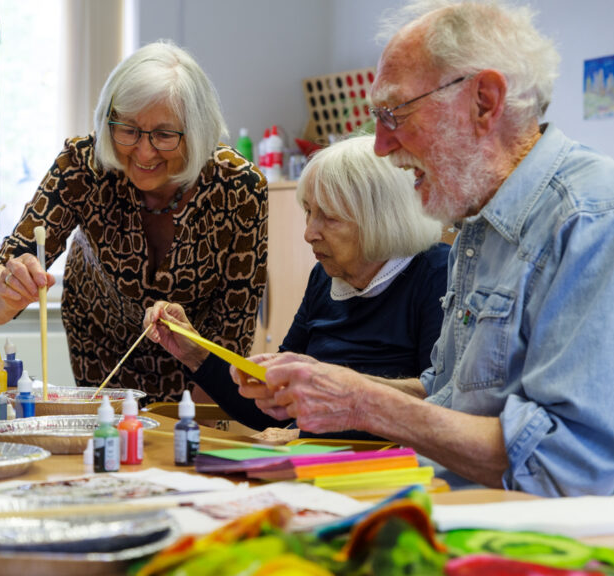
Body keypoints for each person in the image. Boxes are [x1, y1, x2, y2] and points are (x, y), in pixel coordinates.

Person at [242, 0, 614, 516]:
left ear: (484, 101)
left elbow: (566, 466)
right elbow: (446, 398)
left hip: (587, 555)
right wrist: (323, 382)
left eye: (395, 112)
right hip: (474, 524)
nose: (381, 145)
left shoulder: (595, 219)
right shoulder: (477, 228)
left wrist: (363, 402)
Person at [0, 41, 267, 404]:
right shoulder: (83, 163)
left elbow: (231, 332)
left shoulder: (239, 187)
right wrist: (8, 285)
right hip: (101, 341)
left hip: (199, 359)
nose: (143, 153)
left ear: (197, 131)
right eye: (127, 129)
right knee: (111, 445)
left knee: (185, 446)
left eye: (164, 135)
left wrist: (199, 429)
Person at [144, 135, 449, 436]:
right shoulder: (324, 278)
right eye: (308, 212)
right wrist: (193, 352)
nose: (309, 233)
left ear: (381, 219)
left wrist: (313, 413)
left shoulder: (437, 274)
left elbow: (438, 406)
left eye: (328, 217)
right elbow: (270, 407)